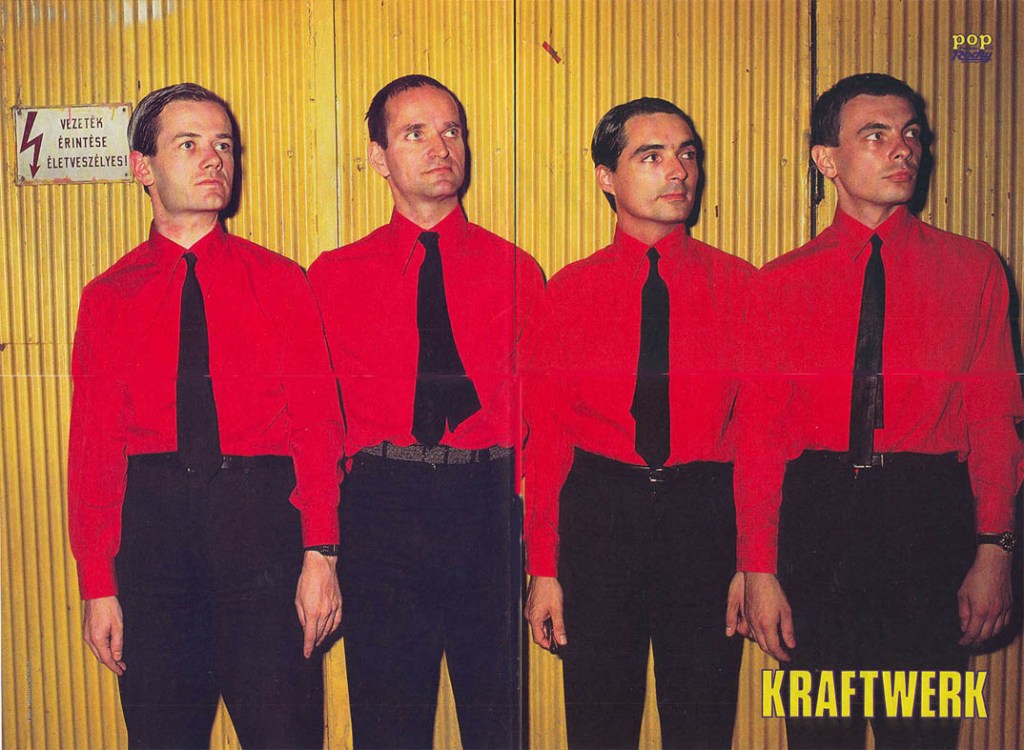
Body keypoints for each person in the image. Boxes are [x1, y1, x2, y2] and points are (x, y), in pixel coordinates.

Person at [736, 73, 1022, 749]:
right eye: (876, 135)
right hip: (816, 520)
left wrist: (996, 549)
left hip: (929, 520)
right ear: (826, 159)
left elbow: (994, 419)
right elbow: (759, 438)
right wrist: (758, 567)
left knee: (923, 731)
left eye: (911, 133)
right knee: (818, 731)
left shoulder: (974, 268)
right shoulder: (779, 283)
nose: (903, 149)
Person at [68, 82, 343, 748]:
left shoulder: (281, 282)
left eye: (223, 144)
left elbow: (316, 426)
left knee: (285, 735)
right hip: (153, 543)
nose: (213, 158)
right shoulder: (108, 297)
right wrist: (98, 584)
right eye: (188, 144)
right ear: (142, 167)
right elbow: (95, 449)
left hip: (264, 532)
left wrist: (321, 553)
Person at [307, 74, 544, 749]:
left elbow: (542, 420)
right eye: (415, 133)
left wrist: (537, 538)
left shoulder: (516, 271)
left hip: (487, 506)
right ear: (378, 157)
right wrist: (322, 543)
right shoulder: (332, 277)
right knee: (388, 727)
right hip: (380, 508)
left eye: (452, 131)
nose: (441, 148)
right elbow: (317, 424)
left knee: (497, 725)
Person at [522, 97, 751, 749]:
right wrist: (544, 568)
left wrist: (754, 563)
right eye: (651, 156)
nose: (678, 170)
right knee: (598, 729)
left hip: (706, 520)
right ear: (606, 177)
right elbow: (547, 442)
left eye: (687, 154)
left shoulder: (742, 289)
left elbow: (760, 437)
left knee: (703, 726)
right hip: (600, 519)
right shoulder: (567, 293)